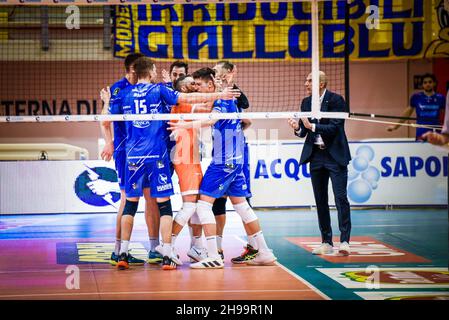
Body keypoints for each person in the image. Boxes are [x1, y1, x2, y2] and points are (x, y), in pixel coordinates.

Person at [117, 58, 240, 270]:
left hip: (137, 155)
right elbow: (205, 107)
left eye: (196, 84)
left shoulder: (128, 94)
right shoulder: (180, 101)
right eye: (191, 85)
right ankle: (168, 248)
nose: (195, 87)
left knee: (133, 204)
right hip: (181, 158)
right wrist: (221, 92)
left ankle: (124, 251)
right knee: (189, 205)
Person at [168, 68, 277, 268]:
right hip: (237, 159)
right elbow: (246, 121)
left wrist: (185, 126)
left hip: (223, 162)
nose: (197, 89)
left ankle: (213, 256)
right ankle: (264, 251)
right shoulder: (230, 100)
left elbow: (211, 120)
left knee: (202, 205)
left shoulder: (219, 101)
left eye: (199, 85)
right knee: (242, 206)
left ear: (210, 85)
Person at [98, 53, 162, 266]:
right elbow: (105, 119)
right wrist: (109, 142)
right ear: (135, 70)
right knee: (127, 199)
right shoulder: (118, 89)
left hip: (150, 151)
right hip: (126, 152)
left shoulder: (150, 90)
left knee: (152, 198)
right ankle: (118, 251)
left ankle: (154, 249)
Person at [287, 71, 352, 256]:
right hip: (316, 157)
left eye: (309, 81)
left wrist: (312, 126)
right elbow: (303, 132)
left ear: (321, 84)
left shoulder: (336, 100)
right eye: (306, 80)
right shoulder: (306, 102)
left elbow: (335, 127)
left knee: (341, 198)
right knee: (320, 200)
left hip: (335, 156)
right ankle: (326, 241)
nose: (306, 83)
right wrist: (297, 127)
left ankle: (345, 241)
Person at [212, 61, 255, 262]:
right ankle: (218, 249)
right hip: (219, 152)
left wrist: (231, 83)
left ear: (228, 72)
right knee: (217, 201)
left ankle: (254, 247)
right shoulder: (216, 95)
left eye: (217, 70)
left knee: (243, 202)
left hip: (236, 155)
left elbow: (246, 111)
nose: (214, 73)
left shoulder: (233, 94)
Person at [387, 73, 446, 141]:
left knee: (436, 151)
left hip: (436, 132)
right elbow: (406, 114)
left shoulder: (441, 98)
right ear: (422, 85)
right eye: (425, 82)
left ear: (434, 83)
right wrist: (396, 127)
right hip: (421, 132)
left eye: (430, 82)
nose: (428, 84)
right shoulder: (416, 97)